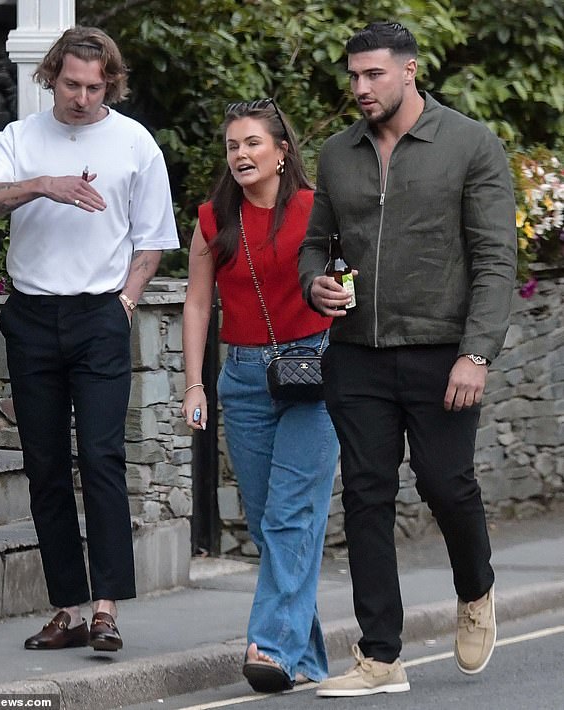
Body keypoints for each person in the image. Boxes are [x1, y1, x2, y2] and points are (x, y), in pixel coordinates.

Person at [298, 21, 517, 697]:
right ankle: (380, 656)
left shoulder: (471, 145)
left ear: (410, 70)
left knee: (446, 484)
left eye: (374, 75)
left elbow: (495, 258)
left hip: (442, 351)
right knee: (366, 495)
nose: (360, 88)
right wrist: (316, 283)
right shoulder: (339, 154)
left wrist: (476, 353)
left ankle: (475, 590)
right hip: (358, 354)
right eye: (354, 76)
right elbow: (315, 243)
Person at [0, 26, 179, 652]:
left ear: (108, 82)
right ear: (50, 76)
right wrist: (42, 184)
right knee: (46, 467)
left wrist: (127, 301)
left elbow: (153, 237)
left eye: (95, 86)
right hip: (31, 315)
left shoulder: (134, 142)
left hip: (100, 317)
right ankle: (67, 609)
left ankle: (107, 608)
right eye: (71, 84)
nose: (83, 98)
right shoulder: (20, 138)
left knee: (104, 459)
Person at [182, 98, 339, 692]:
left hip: (316, 373)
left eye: (252, 143)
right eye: (232, 146)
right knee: (270, 519)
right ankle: (305, 657)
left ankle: (268, 647)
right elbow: (198, 303)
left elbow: (347, 278)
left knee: (290, 516)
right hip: (244, 380)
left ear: (281, 150)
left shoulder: (317, 208)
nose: (241, 154)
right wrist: (194, 383)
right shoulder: (211, 219)